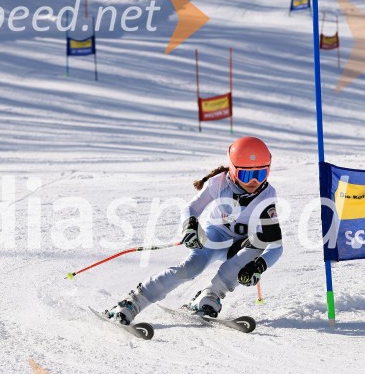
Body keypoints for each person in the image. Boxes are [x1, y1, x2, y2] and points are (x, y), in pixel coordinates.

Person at [106, 137, 283, 324]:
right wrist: (189, 225)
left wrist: (259, 266)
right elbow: (191, 208)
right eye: (247, 175)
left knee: (259, 243)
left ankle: (211, 295)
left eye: (261, 174)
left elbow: (276, 244)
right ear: (233, 170)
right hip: (216, 236)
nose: (254, 181)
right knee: (191, 268)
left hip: (240, 246)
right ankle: (133, 301)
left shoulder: (267, 196)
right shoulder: (219, 183)